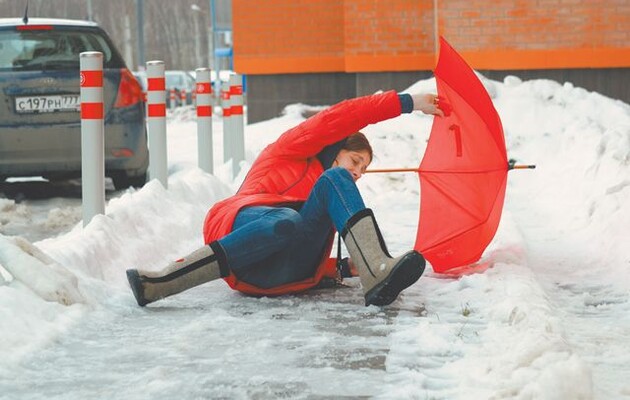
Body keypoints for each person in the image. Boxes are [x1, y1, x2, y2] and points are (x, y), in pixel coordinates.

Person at [126, 90, 443, 307]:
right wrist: (407, 102)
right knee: (285, 220)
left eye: (364, 168)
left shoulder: (329, 190)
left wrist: (343, 267)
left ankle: (376, 272)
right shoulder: (289, 151)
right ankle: (163, 282)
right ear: (335, 148)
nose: (359, 172)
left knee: (302, 212)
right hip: (245, 248)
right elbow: (341, 116)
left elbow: (305, 244)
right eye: (355, 160)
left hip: (286, 275)